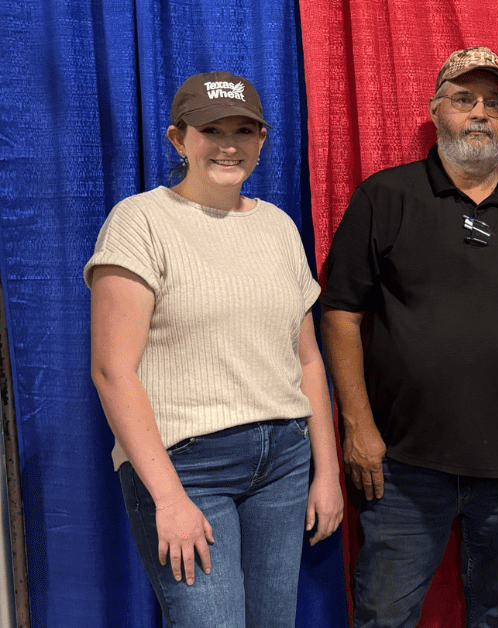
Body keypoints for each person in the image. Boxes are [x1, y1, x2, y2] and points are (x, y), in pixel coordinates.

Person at [320, 46, 498, 628]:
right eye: (465, 99)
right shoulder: (384, 198)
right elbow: (340, 313)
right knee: (384, 616)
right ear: (436, 110)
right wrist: (358, 427)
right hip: (403, 464)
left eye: (495, 102)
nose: (480, 113)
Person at [86, 71, 343, 628]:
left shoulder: (277, 227)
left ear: (261, 141)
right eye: (211, 130)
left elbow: (307, 360)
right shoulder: (139, 222)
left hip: (284, 460)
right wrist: (169, 499)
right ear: (178, 139)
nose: (229, 145)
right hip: (186, 467)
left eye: (243, 130)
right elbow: (112, 370)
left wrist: (327, 471)